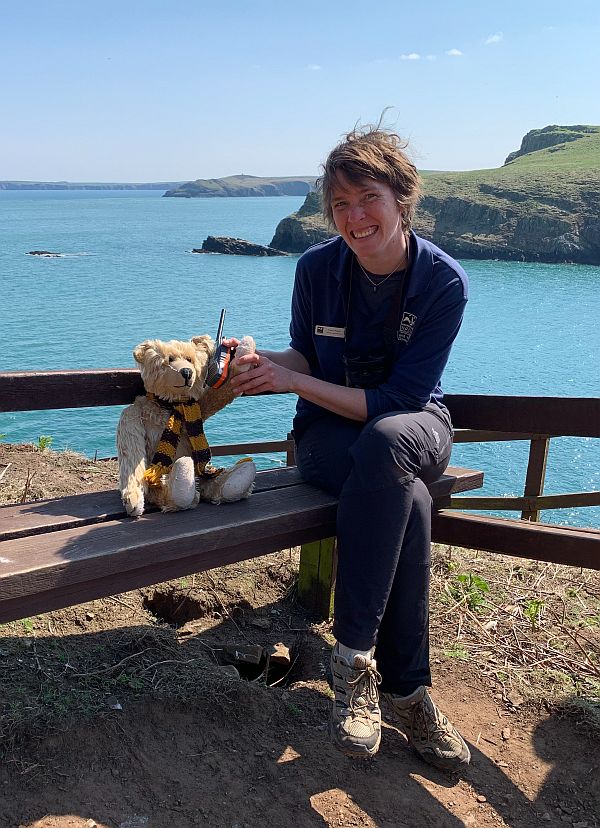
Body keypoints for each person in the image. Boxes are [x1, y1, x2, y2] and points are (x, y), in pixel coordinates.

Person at [230, 124, 470, 770]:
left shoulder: (443, 283)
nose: (354, 218)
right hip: (329, 439)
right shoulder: (315, 270)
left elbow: (398, 404)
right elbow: (305, 355)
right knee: (410, 500)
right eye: (340, 205)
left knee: (391, 445)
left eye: (367, 199)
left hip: (416, 423)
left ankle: (352, 658)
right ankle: (408, 692)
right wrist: (262, 363)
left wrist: (294, 380)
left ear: (401, 198)